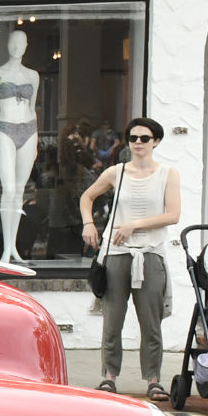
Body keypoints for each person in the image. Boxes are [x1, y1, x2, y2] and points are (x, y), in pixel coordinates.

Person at [77, 116, 182, 398]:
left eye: (144, 138)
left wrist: (135, 225)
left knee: (151, 321)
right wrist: (89, 224)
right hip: (117, 253)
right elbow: (87, 197)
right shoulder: (117, 172)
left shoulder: (167, 174)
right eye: (133, 138)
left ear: (156, 141)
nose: (138, 143)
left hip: (149, 254)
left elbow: (173, 214)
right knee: (112, 319)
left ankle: (153, 379)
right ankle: (109, 376)